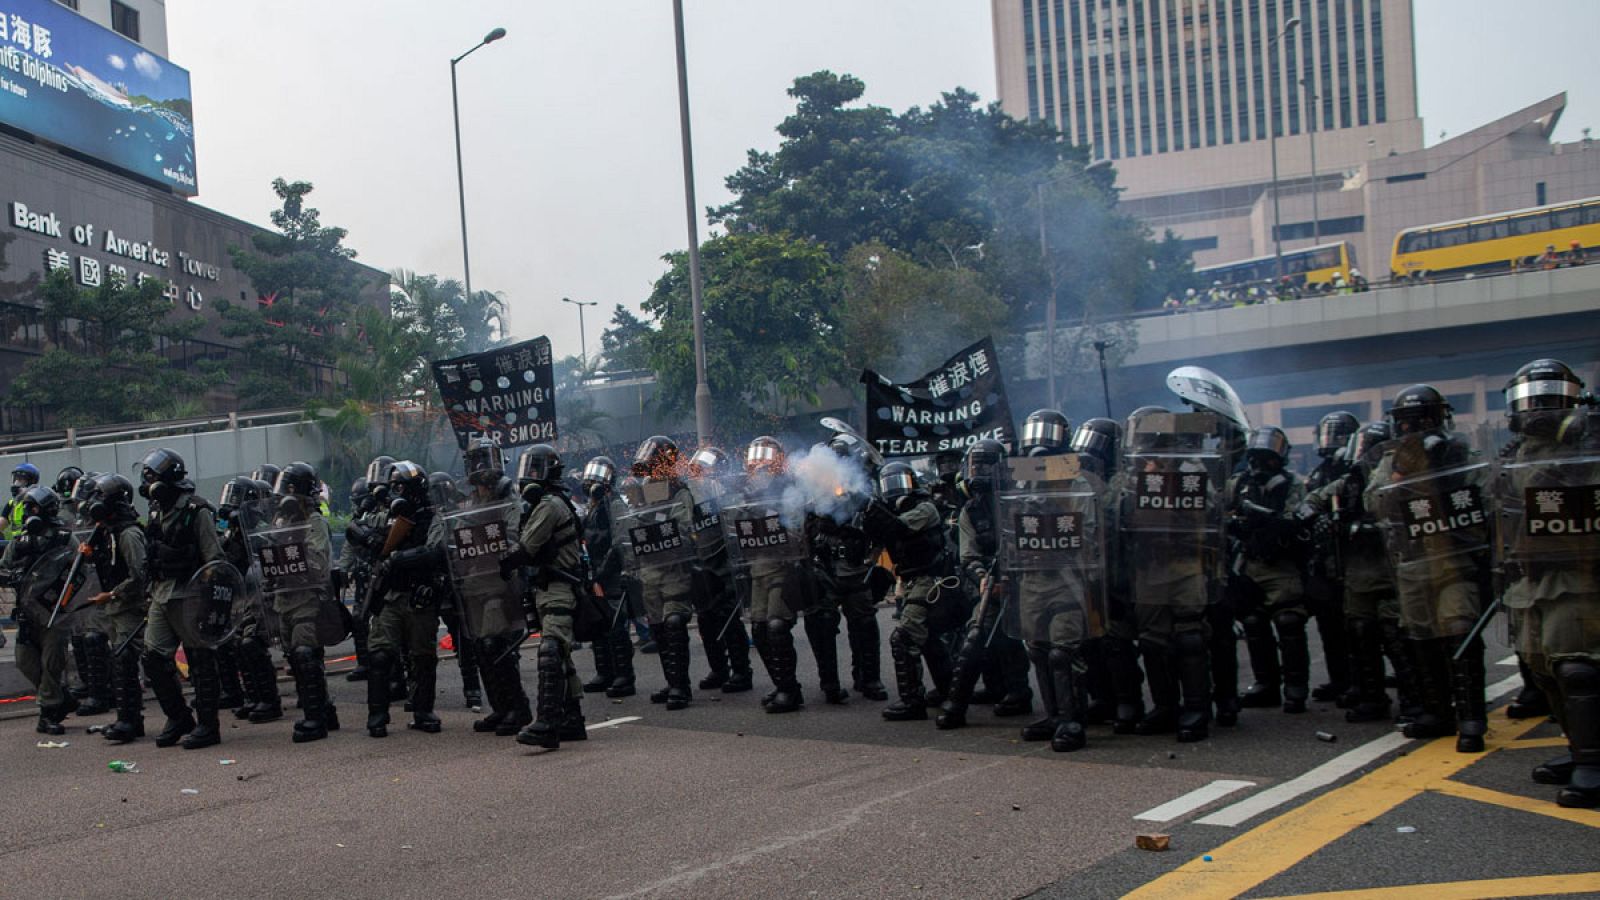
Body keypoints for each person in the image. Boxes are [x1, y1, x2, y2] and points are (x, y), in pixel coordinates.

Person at [1495, 359, 1600, 807]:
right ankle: (1578, 750)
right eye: (1527, 400)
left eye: (1545, 397)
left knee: (1577, 669)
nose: (1536, 408)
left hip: (1577, 576)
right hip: (1531, 575)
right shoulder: (1518, 451)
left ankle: (1595, 763)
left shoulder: (1587, 442)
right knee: (1543, 667)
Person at [1367, 385, 1490, 753]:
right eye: (1406, 423)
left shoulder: (1462, 453)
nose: (1413, 429)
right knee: (1421, 636)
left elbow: (1485, 495)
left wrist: (1446, 475)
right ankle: (1438, 712)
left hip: (1454, 559)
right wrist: (1401, 483)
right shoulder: (1392, 462)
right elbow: (1373, 501)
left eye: (1422, 421)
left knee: (1459, 629)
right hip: (1413, 562)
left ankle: (1472, 717)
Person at [137, 448, 227, 749]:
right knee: (152, 656)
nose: (149, 485)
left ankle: (208, 725)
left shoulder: (196, 511)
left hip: (190, 594)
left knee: (200, 659)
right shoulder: (156, 511)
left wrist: (208, 598)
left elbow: (215, 558)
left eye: (153, 478)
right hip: (162, 593)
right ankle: (178, 716)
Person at [502, 445, 589, 749]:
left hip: (559, 588)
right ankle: (572, 720)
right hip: (549, 588)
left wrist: (503, 561)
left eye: (535, 471)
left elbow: (527, 547)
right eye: (527, 470)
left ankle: (548, 724)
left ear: (549, 474)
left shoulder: (550, 505)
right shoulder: (546, 504)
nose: (528, 477)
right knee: (560, 655)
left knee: (551, 650)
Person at [862, 461, 960, 721]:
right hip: (913, 580)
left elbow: (899, 528)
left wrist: (876, 512)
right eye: (889, 484)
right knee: (927, 638)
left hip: (931, 579)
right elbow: (872, 542)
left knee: (904, 638)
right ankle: (949, 689)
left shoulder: (925, 508)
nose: (895, 490)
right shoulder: (890, 512)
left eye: (900, 482)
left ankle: (912, 702)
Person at [1228, 427, 1310, 714]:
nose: (1260, 465)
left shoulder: (1292, 485)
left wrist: (1266, 516)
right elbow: (1222, 510)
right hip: (1250, 562)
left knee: (1289, 621)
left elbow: (1297, 518)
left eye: (1268, 458)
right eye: (1256, 458)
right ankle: (1266, 685)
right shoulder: (1240, 484)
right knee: (1253, 622)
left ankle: (1296, 688)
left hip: (1281, 564)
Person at [360, 461, 444, 738]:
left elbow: (435, 552)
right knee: (381, 654)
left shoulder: (433, 517)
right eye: (393, 487)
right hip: (391, 595)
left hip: (421, 594)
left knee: (423, 657)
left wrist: (398, 558)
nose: (395, 493)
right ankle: (378, 715)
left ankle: (422, 711)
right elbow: (355, 529)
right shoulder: (388, 515)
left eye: (400, 487)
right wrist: (371, 541)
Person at [727, 437, 810, 713]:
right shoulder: (749, 496)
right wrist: (747, 503)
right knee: (760, 630)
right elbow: (733, 530)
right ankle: (781, 684)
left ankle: (789, 689)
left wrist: (768, 511)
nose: (759, 468)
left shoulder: (790, 490)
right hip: (757, 570)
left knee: (777, 626)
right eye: (755, 462)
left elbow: (797, 532)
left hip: (781, 570)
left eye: (765, 462)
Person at [267, 462, 341, 743]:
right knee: (295, 661)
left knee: (306, 655)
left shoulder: (314, 523)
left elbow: (318, 565)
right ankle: (325, 710)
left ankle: (315, 720)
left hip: (307, 600)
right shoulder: (282, 522)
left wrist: (292, 543)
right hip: (283, 599)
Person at [625, 436, 699, 710]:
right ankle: (672, 681)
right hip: (650, 572)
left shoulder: (680, 492)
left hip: (673, 570)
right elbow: (637, 521)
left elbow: (684, 528)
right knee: (658, 629)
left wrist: (654, 526)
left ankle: (682, 686)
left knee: (674, 624)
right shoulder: (648, 489)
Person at [0, 486, 78, 733]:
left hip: (55, 611)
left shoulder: (65, 538)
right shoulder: (21, 540)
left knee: (52, 661)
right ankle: (61, 697)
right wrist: (11, 574)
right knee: (25, 660)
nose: (26, 513)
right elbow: (3, 567)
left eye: (31, 508)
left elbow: (81, 571)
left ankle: (48, 713)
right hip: (27, 610)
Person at [84, 475, 149, 744]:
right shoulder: (109, 533)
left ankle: (130, 721)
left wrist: (111, 594)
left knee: (126, 660)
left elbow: (140, 575)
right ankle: (129, 719)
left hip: (130, 607)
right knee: (121, 660)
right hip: (116, 608)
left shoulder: (128, 534)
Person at [684, 447, 754, 696]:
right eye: (696, 472)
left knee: (729, 617)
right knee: (705, 618)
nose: (698, 477)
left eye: (703, 472)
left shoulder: (731, 495)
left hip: (725, 565)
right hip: (703, 564)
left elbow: (738, 528)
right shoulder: (691, 498)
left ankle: (741, 670)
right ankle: (719, 668)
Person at [1303, 412, 1360, 707]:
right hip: (1324, 556)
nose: (1331, 442)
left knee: (1357, 623)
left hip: (1352, 557)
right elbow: (1308, 505)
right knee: (1329, 623)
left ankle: (1359, 681)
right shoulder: (1319, 473)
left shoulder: (1357, 469)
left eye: (1338, 436)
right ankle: (1340, 679)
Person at [217, 475, 284, 724]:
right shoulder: (230, 533)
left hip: (260, 599)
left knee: (252, 644)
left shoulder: (260, 530)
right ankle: (252, 697)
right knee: (238, 646)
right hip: (239, 599)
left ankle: (269, 700)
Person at [579, 456, 638, 698]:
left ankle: (624, 676)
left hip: (611, 573)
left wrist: (604, 571)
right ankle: (605, 672)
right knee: (599, 624)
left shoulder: (614, 504)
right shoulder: (592, 505)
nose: (592, 479)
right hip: (596, 571)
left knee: (615, 625)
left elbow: (620, 540)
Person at [4, 462, 41, 538]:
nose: (16, 483)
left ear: (31, 482)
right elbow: (1, 523)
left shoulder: (37, 503)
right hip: (16, 544)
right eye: (15, 479)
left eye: (20, 480)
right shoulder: (11, 503)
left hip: (34, 542)